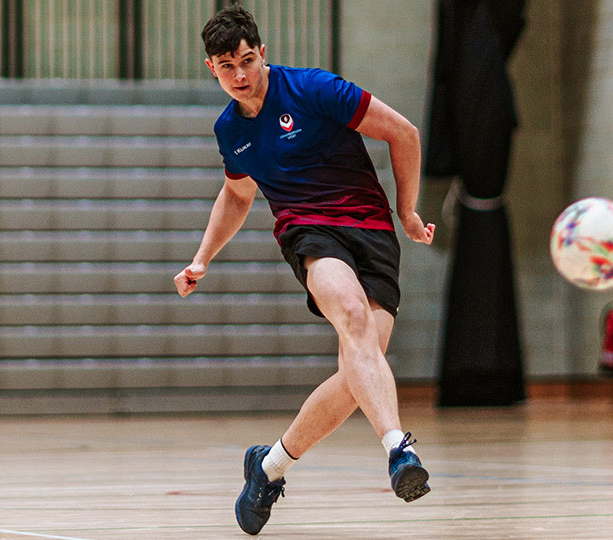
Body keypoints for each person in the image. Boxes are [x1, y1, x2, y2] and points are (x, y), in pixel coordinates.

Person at [174, 5, 435, 535]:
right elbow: (237, 193)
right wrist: (202, 258)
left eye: (248, 60)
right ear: (211, 69)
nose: (241, 76)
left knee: (357, 375)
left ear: (262, 53)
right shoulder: (231, 131)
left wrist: (406, 212)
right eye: (227, 67)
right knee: (353, 317)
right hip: (310, 234)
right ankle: (398, 451)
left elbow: (403, 133)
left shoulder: (315, 89)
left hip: (373, 233)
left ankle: (268, 468)